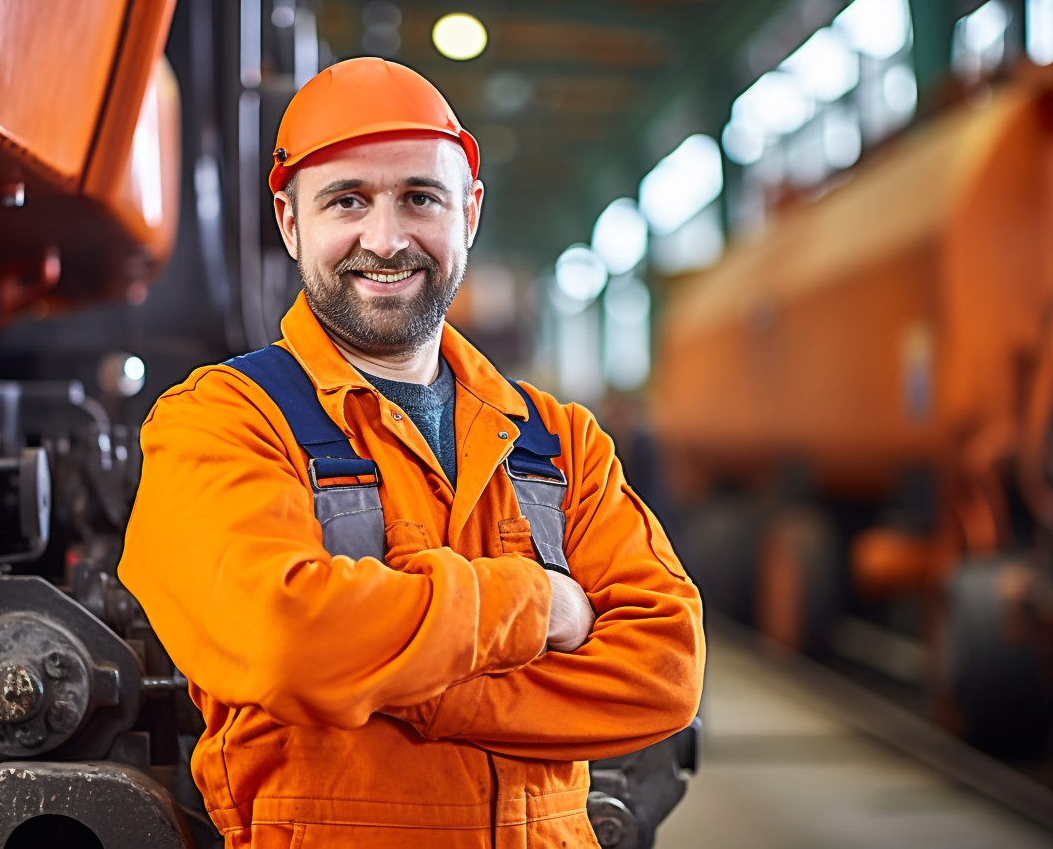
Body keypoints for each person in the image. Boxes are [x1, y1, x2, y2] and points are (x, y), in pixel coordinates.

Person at [118, 57, 704, 849]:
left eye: (419, 198)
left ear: (469, 214)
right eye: (347, 201)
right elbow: (289, 641)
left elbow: (665, 671)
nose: (385, 240)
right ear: (292, 223)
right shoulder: (218, 422)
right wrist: (543, 603)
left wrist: (406, 690)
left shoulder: (561, 441)